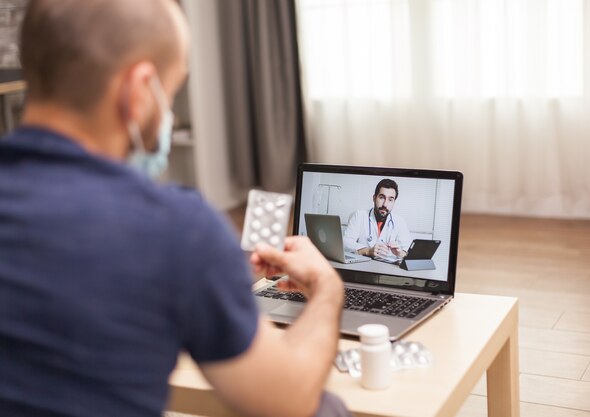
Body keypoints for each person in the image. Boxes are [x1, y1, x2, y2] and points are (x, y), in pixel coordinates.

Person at [0, 1, 350, 416]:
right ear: (139, 89)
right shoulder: (175, 230)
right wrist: (327, 289)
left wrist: (215, 279)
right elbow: (287, 401)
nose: (166, 114)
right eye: (169, 93)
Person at [343, 179, 412, 262]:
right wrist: (368, 251)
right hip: (361, 268)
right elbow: (345, 243)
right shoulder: (359, 216)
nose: (385, 204)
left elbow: (407, 251)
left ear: (394, 202)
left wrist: (399, 253)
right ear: (374, 198)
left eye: (390, 200)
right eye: (382, 197)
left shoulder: (399, 222)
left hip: (387, 270)